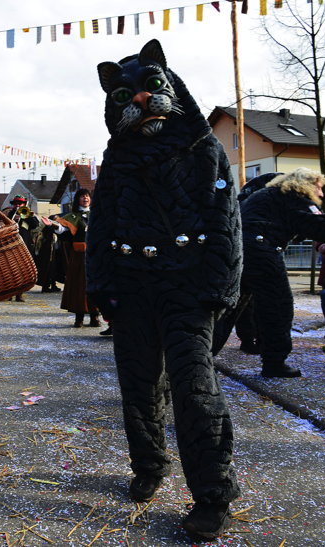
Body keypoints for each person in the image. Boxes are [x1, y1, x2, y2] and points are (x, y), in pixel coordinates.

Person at [87, 39, 241, 539]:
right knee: (137, 383)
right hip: (132, 288)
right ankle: (149, 465)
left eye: (150, 87)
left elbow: (226, 222)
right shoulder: (116, 158)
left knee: (195, 387)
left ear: (171, 86)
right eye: (123, 95)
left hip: (188, 287)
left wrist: (219, 287)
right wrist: (102, 286)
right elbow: (101, 224)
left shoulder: (203, 149)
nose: (138, 100)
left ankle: (212, 492)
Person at [223, 168, 325, 378]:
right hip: (262, 251)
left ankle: (199, 354)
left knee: (232, 306)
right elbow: (321, 225)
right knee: (278, 306)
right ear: (306, 184)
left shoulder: (269, 195)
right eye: (319, 188)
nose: (321, 194)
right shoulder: (295, 197)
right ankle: (274, 363)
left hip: (238, 251)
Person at [233, 172, 282, 355]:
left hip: (254, 254)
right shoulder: (256, 198)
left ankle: (255, 339)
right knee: (250, 300)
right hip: (253, 255)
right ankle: (251, 339)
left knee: (252, 300)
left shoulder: (250, 197)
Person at [53, 188, 99, 328]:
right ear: (78, 199)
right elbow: (63, 230)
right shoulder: (73, 216)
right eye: (82, 196)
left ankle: (94, 316)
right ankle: (79, 317)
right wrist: (53, 225)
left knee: (95, 285)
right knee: (79, 286)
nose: (85, 198)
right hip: (79, 256)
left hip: (96, 256)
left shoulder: (98, 215)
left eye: (87, 196)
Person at [2, 195, 39, 302]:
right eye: (16, 203)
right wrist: (14, 218)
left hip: (24, 246)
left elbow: (35, 225)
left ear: (24, 204)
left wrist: (26, 216)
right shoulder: (10, 213)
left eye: (20, 203)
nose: (18, 205)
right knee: (10, 270)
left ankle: (20, 294)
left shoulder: (28, 214)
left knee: (22, 271)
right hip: (11, 246)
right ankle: (10, 293)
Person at [35, 214, 64, 294]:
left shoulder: (56, 227)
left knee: (54, 269)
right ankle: (46, 286)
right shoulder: (47, 228)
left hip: (55, 251)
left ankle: (53, 285)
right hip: (47, 252)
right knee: (48, 268)